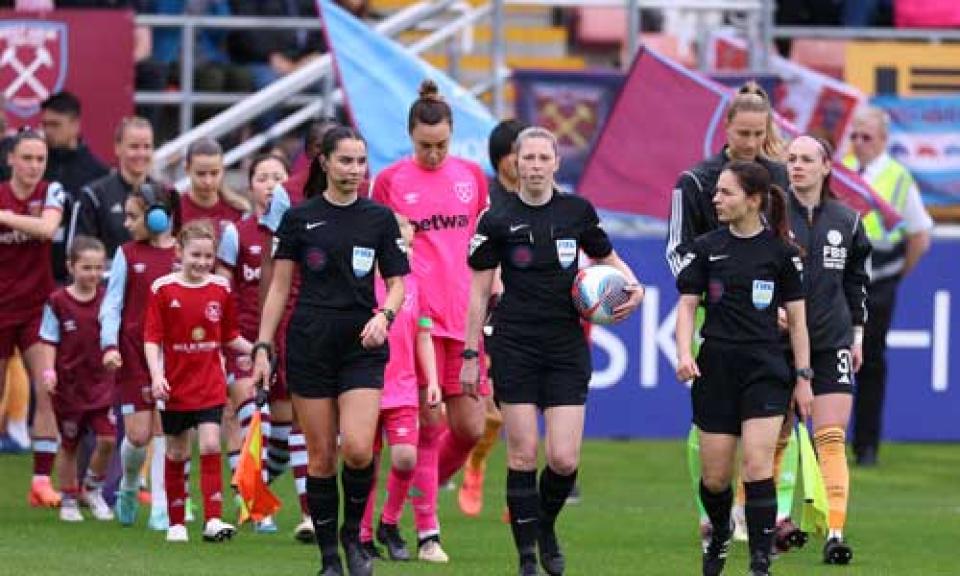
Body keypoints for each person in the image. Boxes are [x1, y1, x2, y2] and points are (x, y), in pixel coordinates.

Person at [462, 127, 643, 576]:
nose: (537, 165)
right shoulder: (497, 218)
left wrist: (633, 286)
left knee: (564, 459)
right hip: (514, 345)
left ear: (557, 163)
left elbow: (609, 259)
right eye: (530, 158)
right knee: (523, 454)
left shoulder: (576, 212)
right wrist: (470, 355)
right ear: (516, 163)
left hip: (565, 347)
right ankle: (526, 557)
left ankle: (543, 526)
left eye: (545, 157)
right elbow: (478, 293)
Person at [253, 125, 409, 576]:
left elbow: (398, 283)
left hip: (362, 344)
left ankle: (353, 539)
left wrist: (385, 316)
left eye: (361, 162)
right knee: (321, 457)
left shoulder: (379, 218)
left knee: (359, 450)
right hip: (310, 344)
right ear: (324, 162)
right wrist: (263, 346)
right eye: (346, 161)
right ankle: (328, 560)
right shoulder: (300, 218)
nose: (355, 170)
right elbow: (280, 288)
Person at [665, 82, 804, 547]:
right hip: (716, 311)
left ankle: (771, 514)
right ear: (725, 129)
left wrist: (782, 301)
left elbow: (788, 248)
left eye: (758, 133)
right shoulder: (696, 181)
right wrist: (719, 295)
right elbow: (677, 252)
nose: (749, 143)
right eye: (742, 133)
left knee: (778, 421)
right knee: (712, 427)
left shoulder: (776, 178)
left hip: (771, 318)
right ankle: (714, 513)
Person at [371, 80, 490, 562]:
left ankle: (418, 489)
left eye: (441, 144)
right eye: (425, 145)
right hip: (416, 318)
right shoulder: (390, 181)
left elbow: (484, 245)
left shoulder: (472, 176)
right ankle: (427, 532)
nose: (435, 153)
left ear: (453, 134)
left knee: (469, 427)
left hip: (464, 320)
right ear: (410, 137)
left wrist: (493, 288)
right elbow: (379, 251)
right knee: (424, 424)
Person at [787, 135, 871, 563]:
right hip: (778, 342)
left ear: (825, 166)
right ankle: (775, 525)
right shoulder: (768, 214)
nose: (797, 166)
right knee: (775, 439)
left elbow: (856, 279)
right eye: (791, 159)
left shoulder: (848, 220)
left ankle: (834, 533)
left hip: (831, 339)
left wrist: (856, 334)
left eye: (806, 159)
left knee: (831, 437)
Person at [145, 219, 252, 543]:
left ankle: (213, 520)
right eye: (196, 255)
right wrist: (157, 375)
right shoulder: (163, 289)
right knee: (177, 452)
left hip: (209, 384)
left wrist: (258, 351)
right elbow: (152, 338)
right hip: (175, 385)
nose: (202, 263)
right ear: (179, 252)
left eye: (208, 257)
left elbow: (229, 335)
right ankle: (176, 521)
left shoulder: (221, 288)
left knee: (208, 444)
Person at [841, 106, 933, 467]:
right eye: (855, 136)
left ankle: (866, 445)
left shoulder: (898, 178)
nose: (859, 144)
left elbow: (919, 236)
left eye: (867, 137)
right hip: (840, 280)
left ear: (883, 140)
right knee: (824, 359)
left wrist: (895, 275)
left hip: (877, 282)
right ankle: (822, 442)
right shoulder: (841, 169)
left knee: (871, 361)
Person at [217, 152, 299, 534]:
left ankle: (251, 486)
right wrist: (227, 343)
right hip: (245, 345)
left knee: (283, 439)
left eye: (277, 177)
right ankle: (256, 505)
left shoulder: (298, 231)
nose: (270, 183)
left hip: (290, 342)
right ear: (250, 186)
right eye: (262, 177)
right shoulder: (238, 233)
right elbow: (221, 290)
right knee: (255, 420)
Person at [360, 214, 442, 562]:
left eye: (410, 246)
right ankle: (362, 535)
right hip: (365, 385)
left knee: (406, 457)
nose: (406, 252)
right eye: (400, 246)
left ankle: (389, 522)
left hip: (404, 387)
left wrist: (433, 381)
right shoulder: (361, 283)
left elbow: (424, 336)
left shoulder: (414, 285)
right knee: (365, 463)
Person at [100, 183, 180, 529]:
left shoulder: (180, 256)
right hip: (132, 353)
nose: (127, 223)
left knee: (165, 430)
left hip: (172, 356)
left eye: (134, 216)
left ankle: (161, 506)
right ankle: (129, 484)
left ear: (158, 218)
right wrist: (110, 345)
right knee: (137, 435)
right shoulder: (127, 254)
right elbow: (112, 304)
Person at [458, 118, 526, 517]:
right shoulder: (489, 203)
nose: (530, 163)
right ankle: (477, 463)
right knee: (493, 411)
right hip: (489, 311)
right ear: (503, 160)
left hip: (531, 314)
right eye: (521, 155)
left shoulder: (545, 199)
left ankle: (515, 493)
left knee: (521, 406)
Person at [0, 129, 65, 507]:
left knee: (48, 389)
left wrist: (6, 217)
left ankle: (41, 481)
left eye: (40, 159)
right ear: (11, 159)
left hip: (36, 309)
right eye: (27, 158)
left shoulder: (50, 192)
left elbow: (47, 228)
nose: (34, 166)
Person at [38, 235, 116, 522]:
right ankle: (68, 497)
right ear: (71, 267)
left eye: (98, 268)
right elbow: (48, 339)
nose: (93, 274)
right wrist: (49, 371)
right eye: (87, 268)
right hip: (70, 386)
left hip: (102, 383)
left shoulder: (109, 298)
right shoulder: (58, 301)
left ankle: (92, 489)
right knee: (69, 444)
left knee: (107, 439)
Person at [40, 91, 110, 285]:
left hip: (81, 278)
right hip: (35, 273)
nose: (48, 131)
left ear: (75, 124)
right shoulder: (35, 166)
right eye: (45, 124)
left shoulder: (99, 173)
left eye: (55, 124)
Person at [77, 116, 162, 265]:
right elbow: (79, 253)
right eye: (134, 147)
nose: (141, 153)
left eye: (147, 146)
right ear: (117, 148)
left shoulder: (164, 194)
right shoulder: (93, 195)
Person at [180, 137, 250, 229]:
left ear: (223, 170)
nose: (208, 181)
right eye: (201, 174)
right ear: (187, 170)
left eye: (214, 173)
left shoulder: (239, 212)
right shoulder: (176, 212)